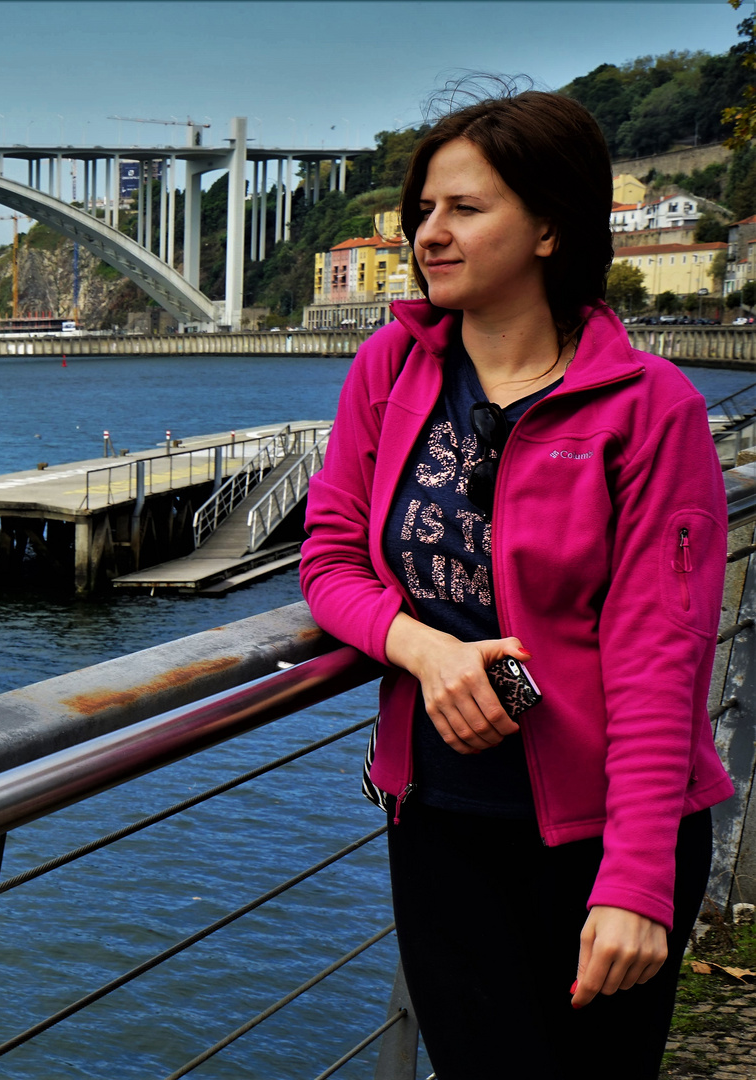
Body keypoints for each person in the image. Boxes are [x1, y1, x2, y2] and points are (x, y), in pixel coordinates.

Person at [298, 88, 734, 1079]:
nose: (428, 234)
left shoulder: (647, 410)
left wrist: (632, 884)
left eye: (465, 208)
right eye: (422, 211)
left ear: (547, 226)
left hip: (607, 833)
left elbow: (660, 652)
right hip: (442, 822)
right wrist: (422, 648)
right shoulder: (389, 370)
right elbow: (326, 558)